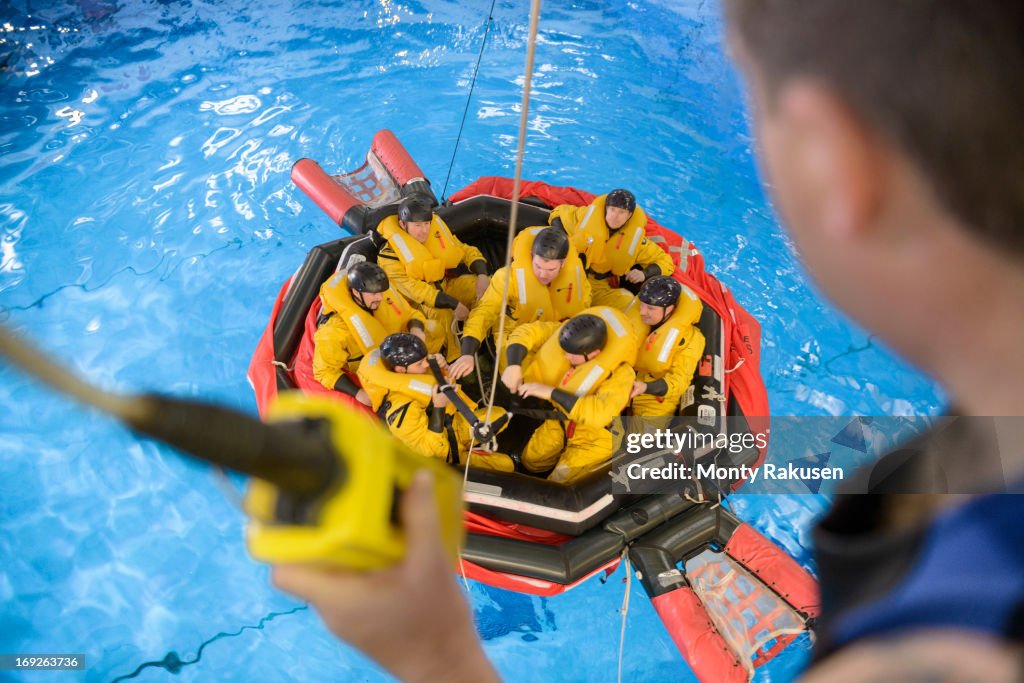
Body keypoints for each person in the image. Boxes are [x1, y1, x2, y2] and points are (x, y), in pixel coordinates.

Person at [275, 1, 1024, 680]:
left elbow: (596, 385)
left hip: (596, 434)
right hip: (497, 396)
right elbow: (493, 324)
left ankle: (669, 513)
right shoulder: (484, 311)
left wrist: (440, 657)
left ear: (841, 159)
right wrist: (488, 362)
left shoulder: (611, 334)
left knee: (563, 453)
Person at [501, 309, 638, 483]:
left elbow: (600, 415)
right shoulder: (568, 339)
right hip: (562, 420)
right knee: (531, 460)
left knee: (558, 482)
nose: (565, 356)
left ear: (594, 354)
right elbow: (526, 331)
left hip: (594, 438)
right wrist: (513, 364)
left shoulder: (621, 373)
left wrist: (549, 392)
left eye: (572, 355)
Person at [448, 226, 591, 381]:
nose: (543, 275)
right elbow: (483, 313)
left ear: (563, 263)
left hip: (558, 330)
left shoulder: (575, 274)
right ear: (531, 256)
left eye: (551, 269)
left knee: (569, 374)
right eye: (538, 266)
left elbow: (585, 301)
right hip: (513, 332)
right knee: (519, 375)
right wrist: (467, 353)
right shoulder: (507, 277)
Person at [357, 333, 513, 472]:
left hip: (452, 425)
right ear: (399, 370)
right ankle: (469, 455)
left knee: (500, 414)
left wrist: (443, 368)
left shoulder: (417, 373)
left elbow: (448, 387)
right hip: (443, 452)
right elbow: (430, 451)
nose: (426, 364)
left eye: (425, 360)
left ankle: (471, 446)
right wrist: (439, 407)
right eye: (420, 363)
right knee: (506, 465)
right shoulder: (399, 411)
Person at [376, 195, 490, 359]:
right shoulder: (388, 258)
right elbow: (417, 292)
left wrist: (482, 275)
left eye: (427, 224)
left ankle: (484, 343)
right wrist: (453, 303)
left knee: (484, 289)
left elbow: (464, 250)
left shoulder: (435, 236)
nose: (424, 230)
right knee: (444, 315)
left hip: (446, 285)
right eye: (417, 225)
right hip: (419, 304)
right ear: (402, 224)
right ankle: (456, 360)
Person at [312, 262, 427, 405]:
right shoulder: (334, 332)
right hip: (377, 371)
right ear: (355, 292)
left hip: (406, 355)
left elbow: (411, 313)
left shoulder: (383, 297)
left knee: (434, 329)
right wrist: (358, 393)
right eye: (373, 294)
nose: (379, 297)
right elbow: (324, 371)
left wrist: (416, 329)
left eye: (380, 292)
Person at [549, 189, 675, 309]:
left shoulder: (635, 242)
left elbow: (666, 262)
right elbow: (558, 214)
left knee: (628, 302)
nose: (615, 216)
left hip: (598, 286)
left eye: (621, 212)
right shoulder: (584, 218)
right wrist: (563, 245)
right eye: (612, 210)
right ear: (606, 209)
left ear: (629, 215)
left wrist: (643, 274)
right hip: (569, 272)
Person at [628, 276, 706, 417]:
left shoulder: (692, 340)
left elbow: (679, 380)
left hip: (657, 397)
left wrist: (645, 387)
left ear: (669, 309)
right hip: (629, 376)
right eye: (642, 305)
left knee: (640, 439)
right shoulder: (640, 320)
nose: (642, 312)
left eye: (650, 308)